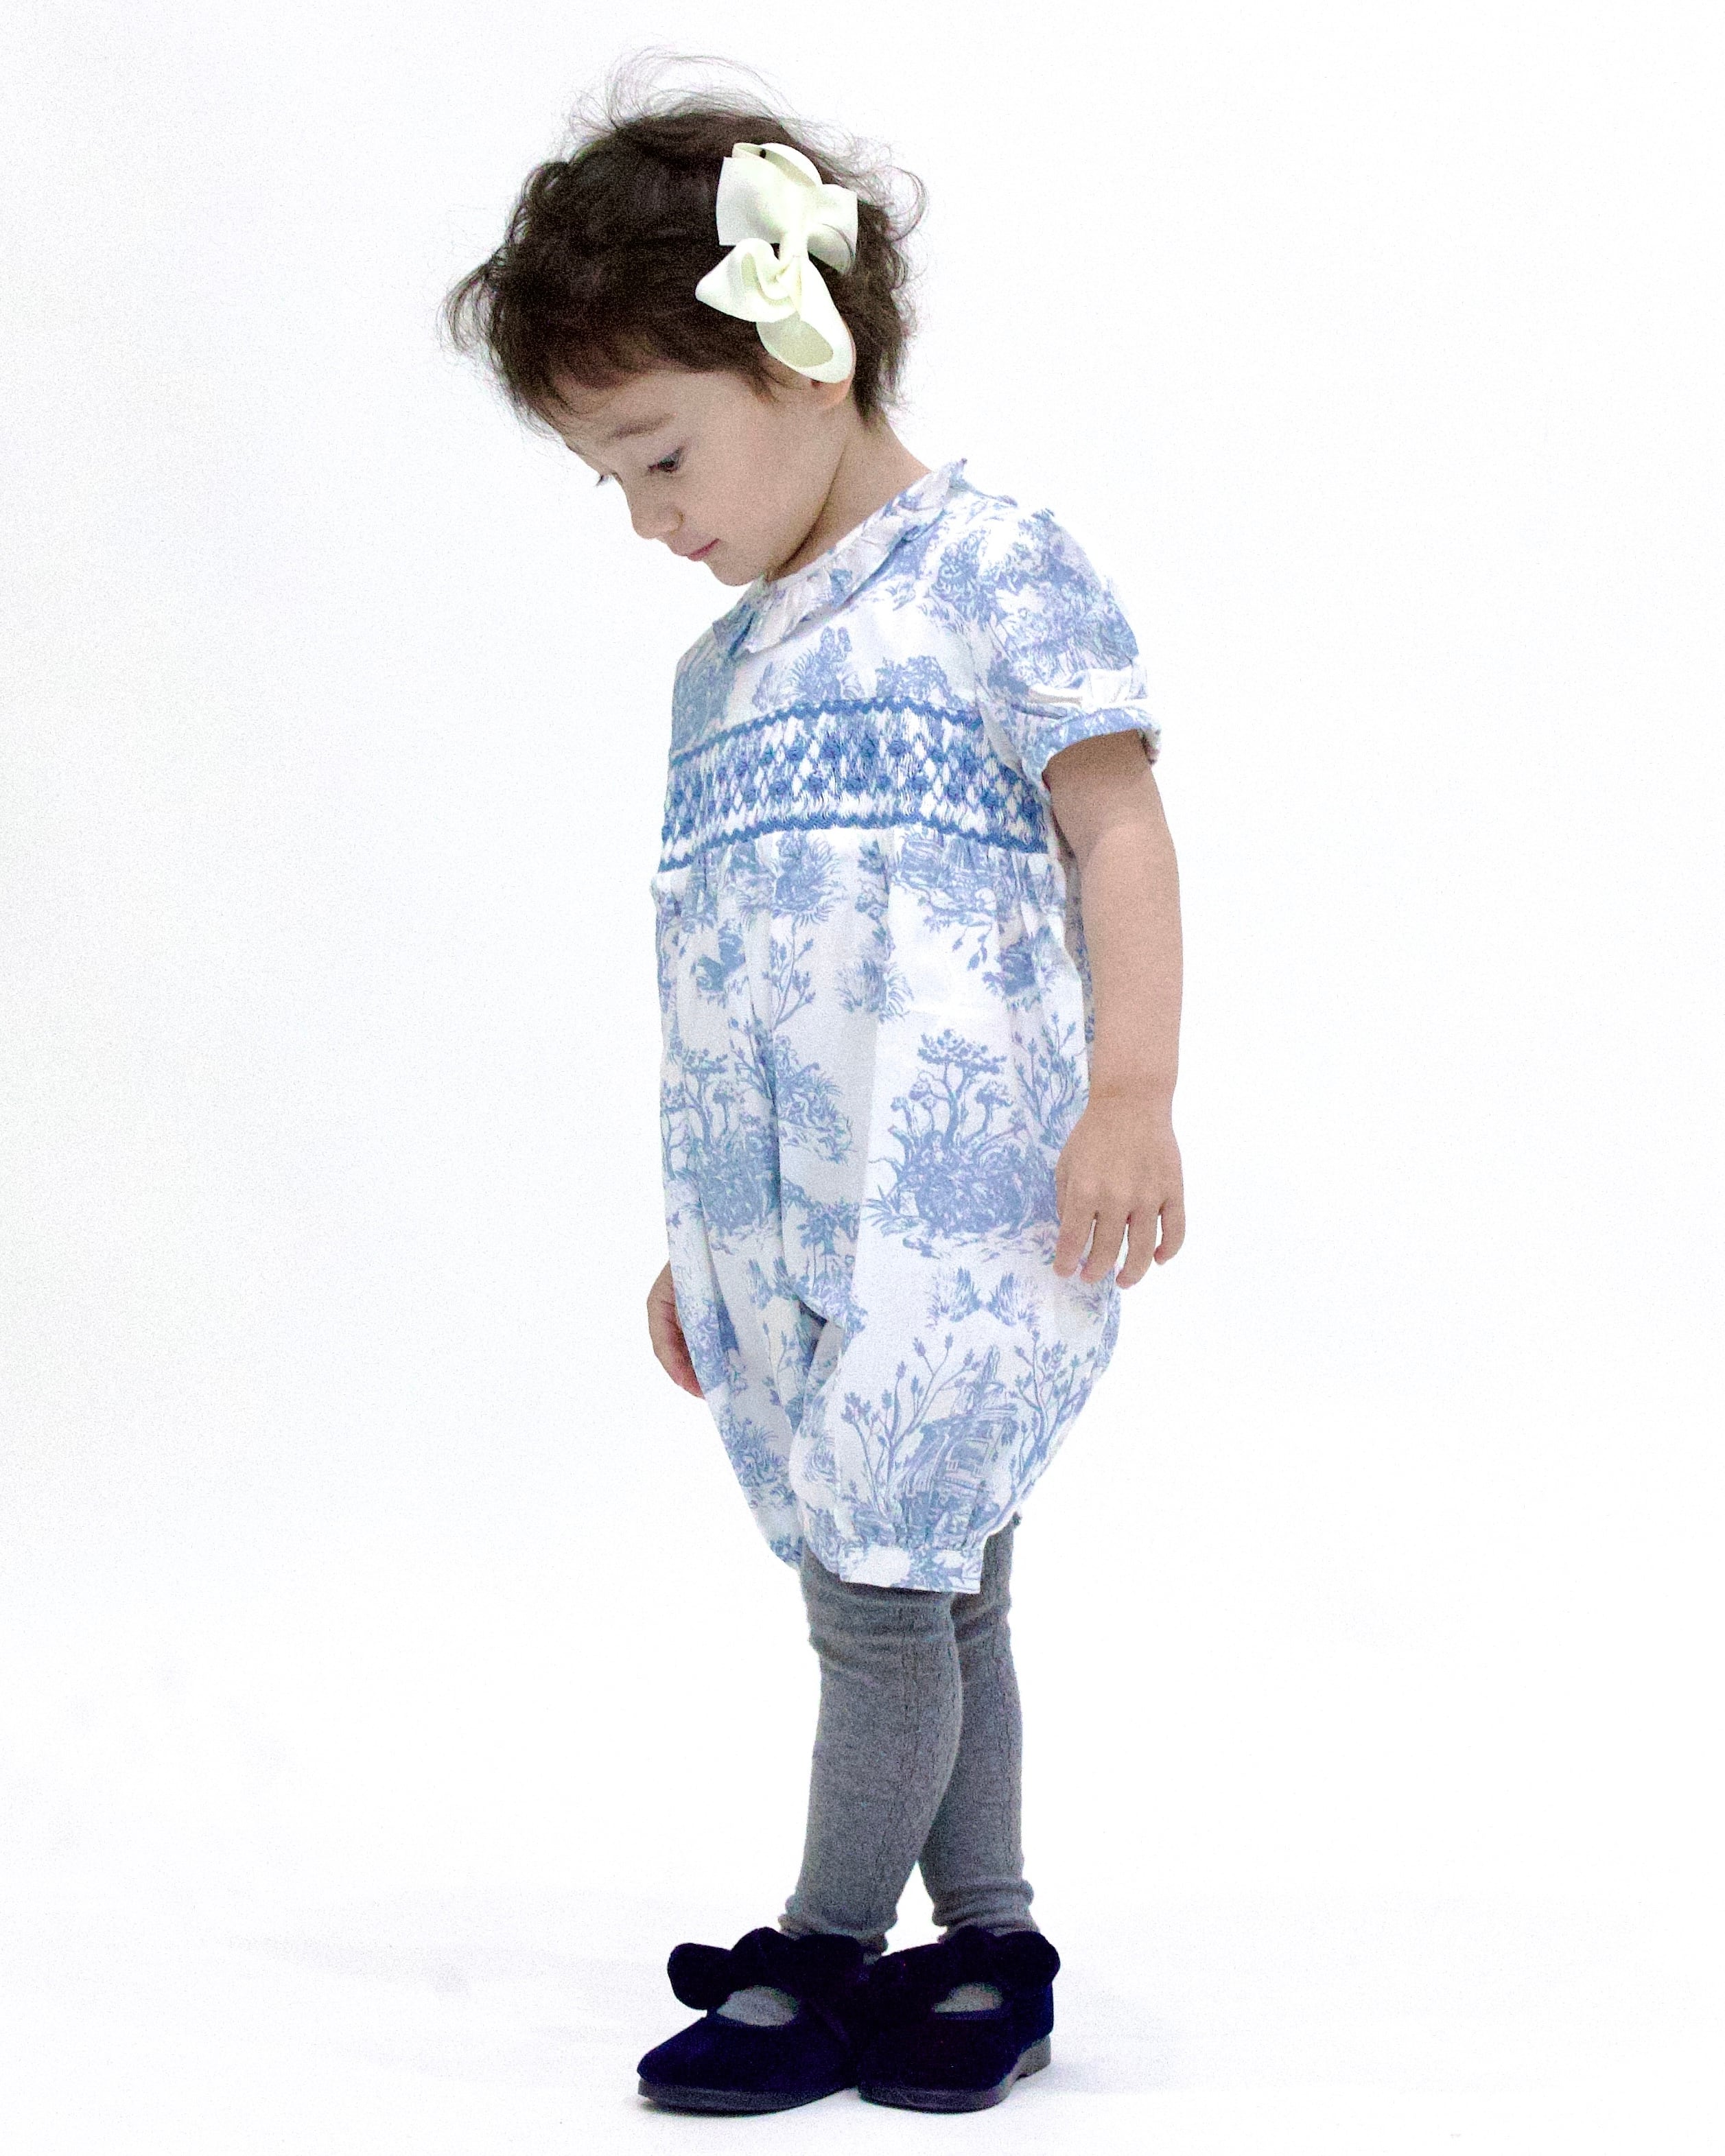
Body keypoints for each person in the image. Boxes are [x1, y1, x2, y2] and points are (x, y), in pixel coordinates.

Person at [446, 84, 1184, 2117]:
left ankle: (823, 1950)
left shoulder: (995, 573)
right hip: (793, 1235)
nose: (647, 521)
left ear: (804, 355)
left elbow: (1117, 830)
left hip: (969, 1212)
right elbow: (741, 993)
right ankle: (993, 1943)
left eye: (661, 455)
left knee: (877, 1601)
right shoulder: (722, 681)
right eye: (609, 481)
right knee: (940, 1591)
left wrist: (1132, 1089)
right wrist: (706, 1238)